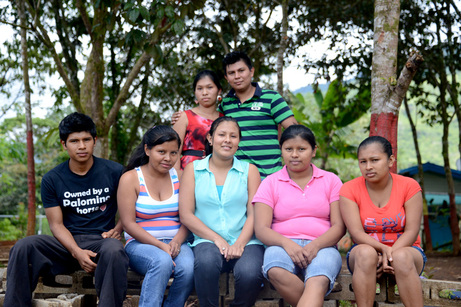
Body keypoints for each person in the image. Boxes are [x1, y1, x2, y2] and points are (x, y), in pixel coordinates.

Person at [5, 112, 128, 307]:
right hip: (64, 244)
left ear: (94, 140)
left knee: (115, 250)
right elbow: (56, 224)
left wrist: (119, 228)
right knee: (23, 246)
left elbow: (130, 208)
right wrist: (77, 252)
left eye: (86, 139)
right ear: (64, 144)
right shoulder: (52, 179)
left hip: (101, 242)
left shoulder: (115, 172)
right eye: (74, 141)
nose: (81, 146)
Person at [253, 125, 345, 307]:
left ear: (314, 151)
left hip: (323, 246)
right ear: (281, 151)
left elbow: (339, 226)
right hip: (281, 245)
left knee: (317, 279)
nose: (294, 154)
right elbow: (261, 229)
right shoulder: (270, 182)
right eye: (289, 149)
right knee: (276, 270)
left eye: (301, 149)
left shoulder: (331, 180)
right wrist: (288, 244)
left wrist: (315, 246)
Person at [179, 116, 264, 307]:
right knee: (206, 264)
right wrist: (217, 239)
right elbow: (186, 214)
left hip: (246, 240)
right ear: (210, 138)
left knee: (250, 273)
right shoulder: (193, 170)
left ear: (239, 141)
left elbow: (254, 213)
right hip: (206, 240)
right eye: (222, 135)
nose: (227, 140)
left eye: (233, 136)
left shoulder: (249, 171)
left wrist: (240, 243)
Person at [172, 51, 297, 179]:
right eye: (231, 73)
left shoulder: (271, 98)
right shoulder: (225, 106)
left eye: (241, 70)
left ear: (251, 71)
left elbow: (295, 132)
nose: (237, 76)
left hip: (270, 177)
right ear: (226, 78)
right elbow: (206, 116)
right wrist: (180, 117)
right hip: (236, 180)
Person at [339, 136, 426, 307]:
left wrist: (390, 255)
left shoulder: (410, 186)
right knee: (365, 253)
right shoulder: (349, 189)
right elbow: (356, 233)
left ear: (390, 160)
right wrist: (382, 250)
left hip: (408, 253)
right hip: (366, 257)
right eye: (362, 162)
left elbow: (412, 231)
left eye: (375, 160)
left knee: (401, 257)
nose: (368, 167)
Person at [117, 125, 194, 307]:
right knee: (161, 261)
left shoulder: (181, 177)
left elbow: (188, 216)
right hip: (140, 244)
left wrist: (176, 241)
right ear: (147, 149)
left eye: (174, 153)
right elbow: (128, 224)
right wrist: (160, 245)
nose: (168, 158)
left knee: (189, 268)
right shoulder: (131, 179)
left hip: (177, 242)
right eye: (161, 152)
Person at [172, 70, 223, 172]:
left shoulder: (224, 119)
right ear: (195, 92)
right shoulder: (184, 116)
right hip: (187, 171)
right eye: (199, 88)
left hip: (217, 171)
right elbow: (174, 150)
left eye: (209, 87)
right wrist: (177, 176)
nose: (204, 93)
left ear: (219, 91)